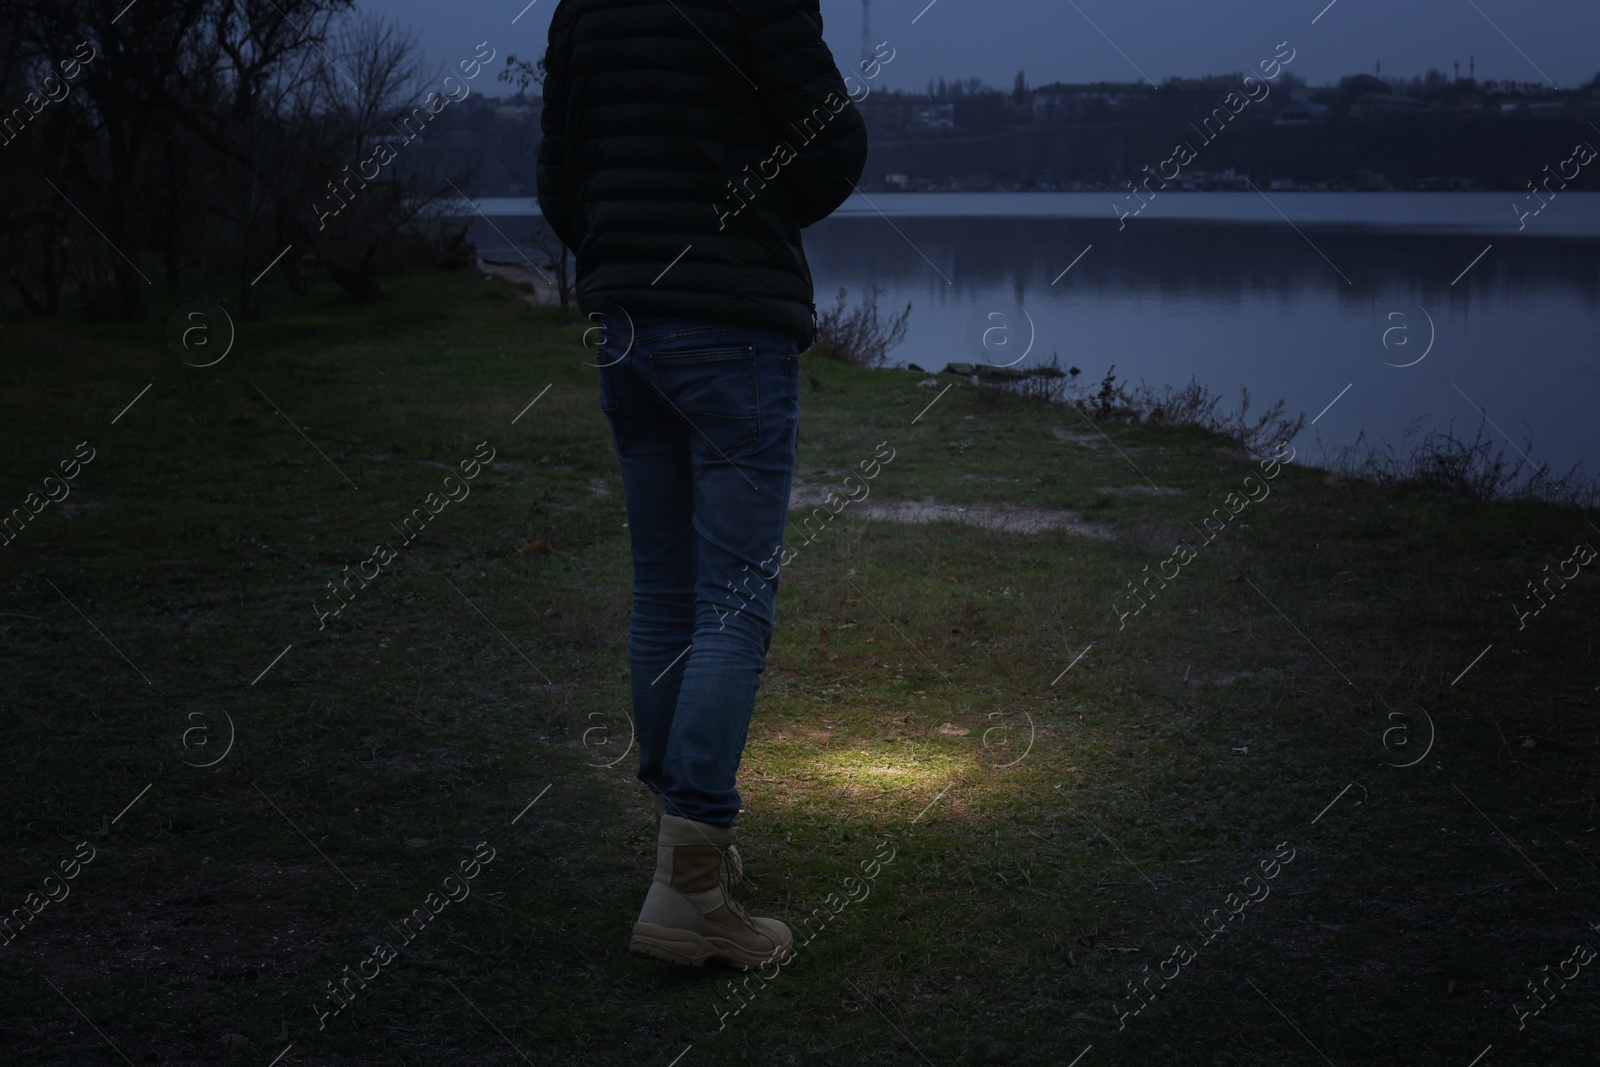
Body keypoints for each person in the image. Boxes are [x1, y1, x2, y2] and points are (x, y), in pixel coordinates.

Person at [536, 0, 868, 968]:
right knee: (731, 597)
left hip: (628, 323)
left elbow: (561, 178)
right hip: (729, 321)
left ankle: (684, 854)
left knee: (666, 591)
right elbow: (832, 149)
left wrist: (630, 249)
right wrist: (742, 206)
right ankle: (688, 882)